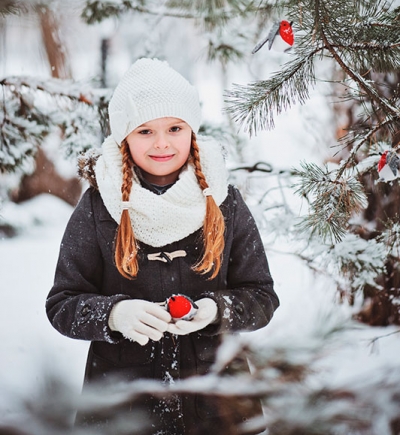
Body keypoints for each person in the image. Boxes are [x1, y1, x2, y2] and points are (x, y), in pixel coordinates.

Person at [46, 58, 279, 435]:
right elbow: (62, 304)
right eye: (144, 131)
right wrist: (114, 315)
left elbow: (262, 297)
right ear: (124, 137)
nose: (161, 143)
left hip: (218, 403)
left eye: (174, 127)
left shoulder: (224, 200)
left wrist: (215, 310)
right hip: (122, 406)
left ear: (192, 130)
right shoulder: (97, 205)